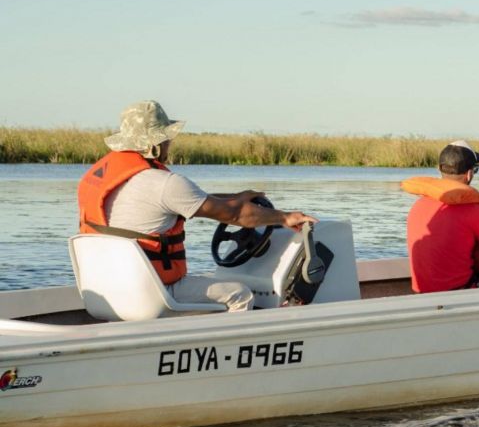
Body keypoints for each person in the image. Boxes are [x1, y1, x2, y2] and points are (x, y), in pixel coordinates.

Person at [78, 100, 317, 312]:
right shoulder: (164, 184)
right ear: (155, 144)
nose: (170, 144)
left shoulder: (97, 178)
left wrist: (236, 195)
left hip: (107, 291)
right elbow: (235, 215)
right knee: (241, 294)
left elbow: (189, 200)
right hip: (152, 294)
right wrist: (285, 218)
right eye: (167, 138)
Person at [404, 140, 479, 293]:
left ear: (439, 170)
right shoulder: (473, 211)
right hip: (459, 293)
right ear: (470, 173)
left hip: (421, 293)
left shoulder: (417, 206)